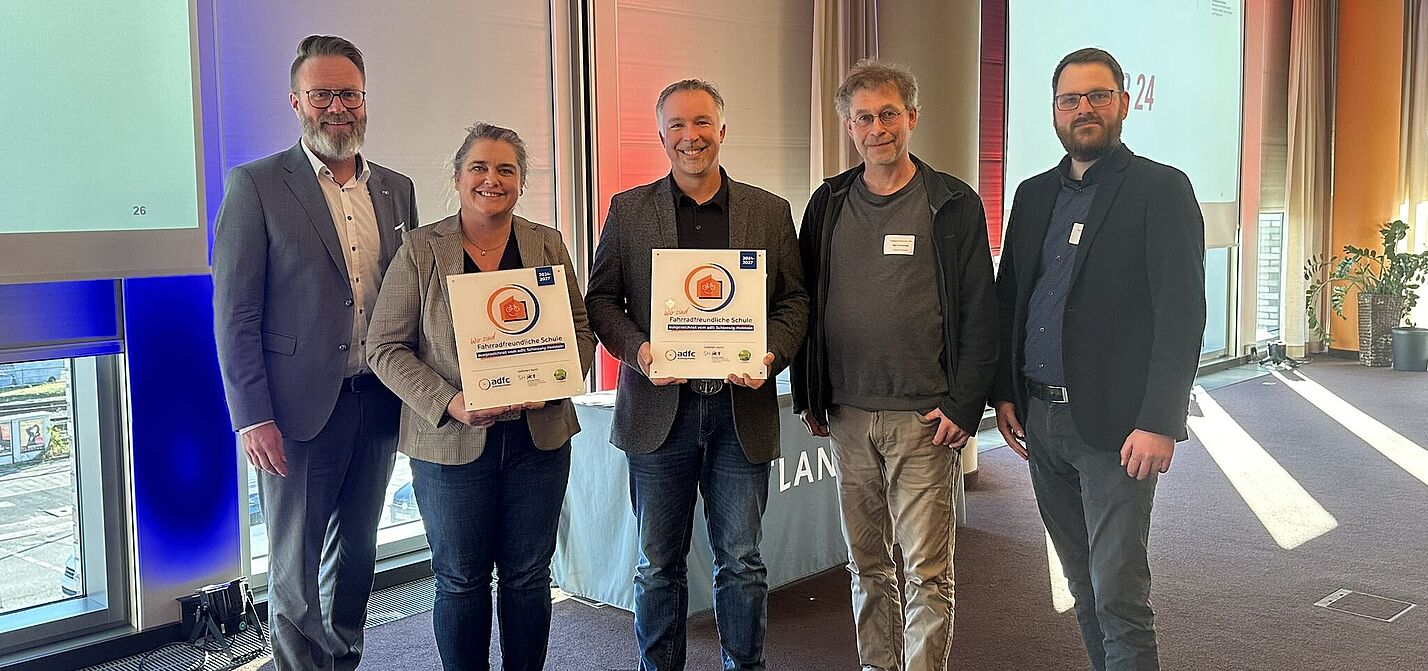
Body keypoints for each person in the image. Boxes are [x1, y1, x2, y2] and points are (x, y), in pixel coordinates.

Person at [989, 47, 1206, 671]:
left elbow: (1182, 313)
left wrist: (1162, 420)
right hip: (1040, 421)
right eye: (1070, 100)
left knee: (1118, 592)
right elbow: (1013, 299)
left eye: (1097, 97)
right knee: (1081, 585)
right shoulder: (1032, 196)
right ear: (1054, 111)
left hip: (1117, 428)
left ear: (1123, 103)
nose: (1083, 109)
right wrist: (1005, 392)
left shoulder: (1160, 190)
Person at [585, 79, 808, 671]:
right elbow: (601, 301)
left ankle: (745, 665)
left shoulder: (768, 210)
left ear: (722, 131)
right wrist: (640, 352)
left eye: (702, 123)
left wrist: (771, 356)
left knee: (742, 560)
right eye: (678, 126)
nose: (691, 137)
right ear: (662, 136)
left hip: (742, 412)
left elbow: (794, 303)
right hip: (661, 415)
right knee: (658, 562)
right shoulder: (629, 211)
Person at [212, 35, 418, 671]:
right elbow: (235, 311)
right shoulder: (258, 185)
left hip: (377, 402)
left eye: (348, 94)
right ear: (296, 102)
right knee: (295, 568)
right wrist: (252, 416)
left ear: (364, 101)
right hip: (295, 412)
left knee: (357, 555)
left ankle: (345, 657)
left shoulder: (395, 189)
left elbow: (412, 296)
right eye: (323, 94)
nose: (338, 107)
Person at [791, 59, 998, 671]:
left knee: (929, 572)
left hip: (924, 418)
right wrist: (810, 393)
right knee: (867, 566)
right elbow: (806, 301)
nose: (876, 127)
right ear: (848, 127)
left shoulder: (952, 203)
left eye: (888, 114)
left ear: (912, 117)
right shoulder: (827, 202)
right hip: (849, 415)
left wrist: (965, 405)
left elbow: (980, 311)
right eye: (863, 118)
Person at [366, 123, 595, 671]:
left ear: (520, 182)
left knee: (527, 576)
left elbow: (580, 331)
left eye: (505, 170)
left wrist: (554, 378)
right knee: (461, 580)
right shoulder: (422, 249)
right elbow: (384, 347)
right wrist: (450, 402)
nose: (491, 179)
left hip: (537, 442)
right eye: (479, 168)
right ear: (457, 178)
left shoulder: (546, 243)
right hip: (451, 445)